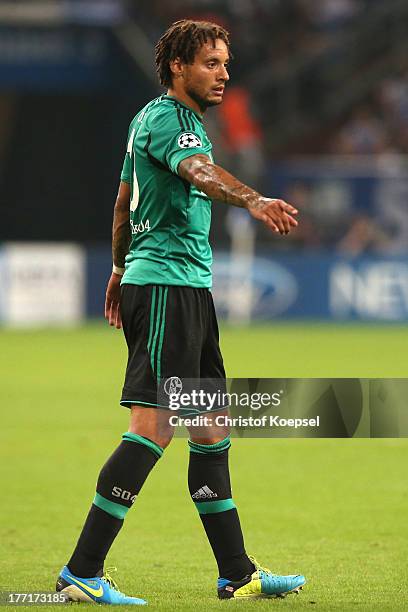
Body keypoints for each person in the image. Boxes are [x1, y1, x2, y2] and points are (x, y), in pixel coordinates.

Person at [56, 19, 305, 604]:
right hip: (167, 286)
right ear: (178, 67)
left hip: (181, 285)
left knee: (211, 430)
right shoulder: (172, 121)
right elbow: (197, 173)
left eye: (225, 62)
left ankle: (237, 573)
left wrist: (119, 267)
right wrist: (253, 197)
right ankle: (81, 572)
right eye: (212, 63)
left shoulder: (156, 120)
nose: (224, 73)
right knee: (153, 427)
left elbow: (124, 202)